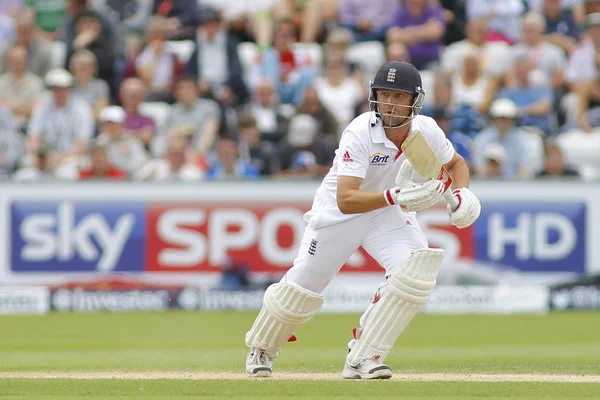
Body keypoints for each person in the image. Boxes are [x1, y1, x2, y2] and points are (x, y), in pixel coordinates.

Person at [244, 61, 481, 379]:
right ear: (374, 96)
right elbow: (346, 197)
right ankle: (261, 347)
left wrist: (462, 195)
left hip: (386, 213)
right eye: (385, 95)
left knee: (415, 272)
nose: (390, 104)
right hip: (339, 214)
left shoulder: (426, 130)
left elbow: (455, 163)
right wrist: (396, 196)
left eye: (399, 96)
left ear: (415, 100)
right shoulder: (360, 132)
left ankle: (364, 354)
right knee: (302, 288)